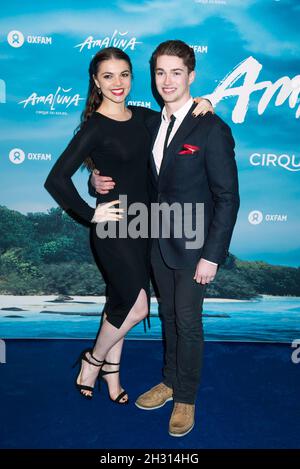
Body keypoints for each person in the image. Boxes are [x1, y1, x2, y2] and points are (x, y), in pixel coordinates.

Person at [44, 47, 213, 405]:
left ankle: (112, 378)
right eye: (108, 76)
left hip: (144, 227)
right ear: (96, 82)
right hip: (113, 228)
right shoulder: (94, 127)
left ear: (132, 78)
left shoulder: (144, 118)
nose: (117, 83)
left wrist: (206, 102)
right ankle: (92, 361)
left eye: (124, 74)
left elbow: (179, 117)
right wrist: (90, 213)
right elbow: (56, 179)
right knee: (137, 308)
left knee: (119, 303)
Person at [91, 40, 240, 436]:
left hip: (195, 246)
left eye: (177, 72)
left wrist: (213, 256)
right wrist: (94, 177)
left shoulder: (212, 128)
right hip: (156, 240)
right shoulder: (149, 121)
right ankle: (170, 381)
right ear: (153, 78)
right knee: (169, 318)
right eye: (160, 72)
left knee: (188, 323)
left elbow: (227, 198)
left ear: (191, 76)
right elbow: (111, 140)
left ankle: (186, 399)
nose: (167, 80)